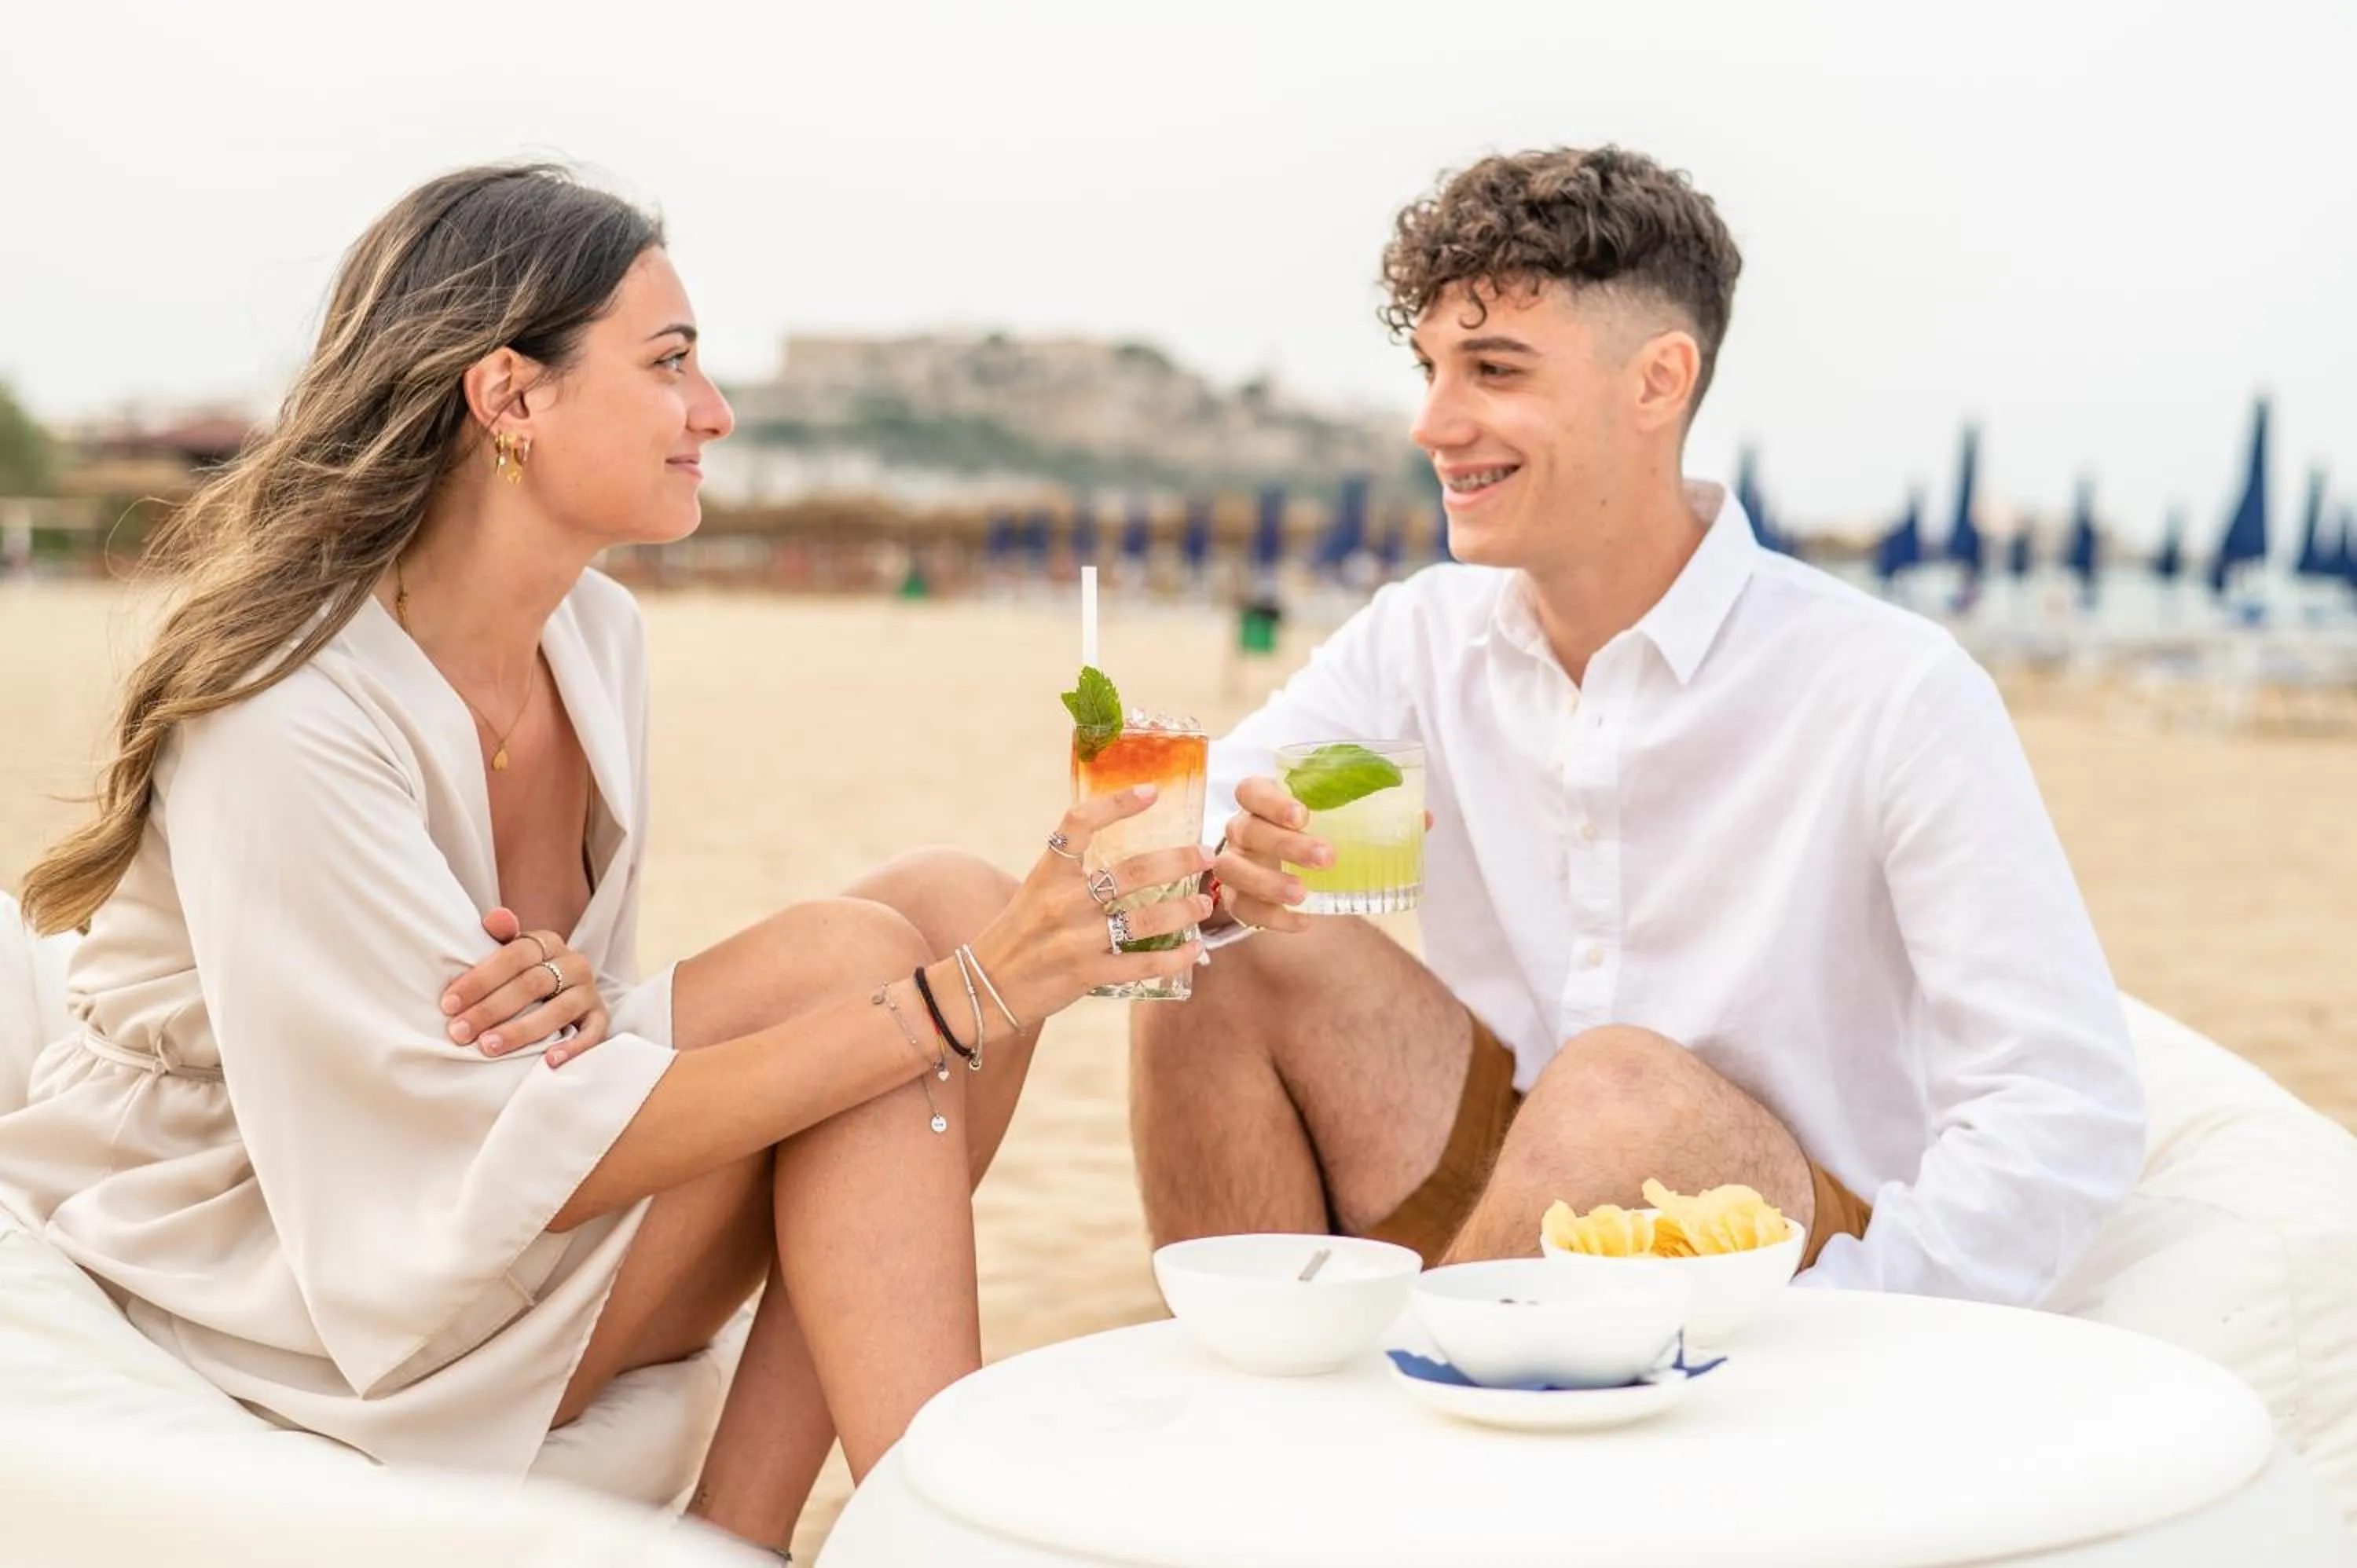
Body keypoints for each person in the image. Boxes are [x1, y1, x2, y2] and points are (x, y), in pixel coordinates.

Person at [0, 163, 1208, 1559]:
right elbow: (426, 1170)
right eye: (672, 364)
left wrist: (577, 990)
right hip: (281, 1253)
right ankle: (938, 1536)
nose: (716, 413)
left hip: (471, 1162)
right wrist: (962, 1000)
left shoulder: (596, 637)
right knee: (888, 966)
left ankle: (741, 1540)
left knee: (951, 898)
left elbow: (538, 1049)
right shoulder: (288, 710)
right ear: (509, 397)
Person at [1135, 147, 2145, 1308]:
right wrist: (1227, 859)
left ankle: (1395, 1435)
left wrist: (1850, 1320)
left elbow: (2064, 1107)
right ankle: (1277, 1410)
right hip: (1503, 1176)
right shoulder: (1422, 639)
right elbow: (1206, 817)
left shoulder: (1891, 688)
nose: (1433, 423)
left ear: (1658, 382)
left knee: (1616, 1095)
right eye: (1429, 370)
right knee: (1214, 955)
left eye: (1493, 369)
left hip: (1770, 1237)